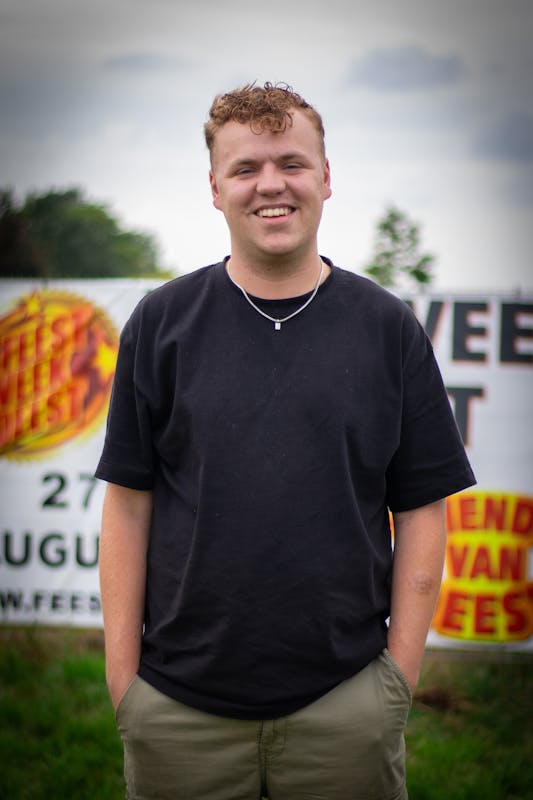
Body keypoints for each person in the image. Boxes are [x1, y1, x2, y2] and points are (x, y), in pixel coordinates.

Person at [96, 82, 475, 800]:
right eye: (245, 168)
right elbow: (128, 505)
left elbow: (422, 508)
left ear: (326, 178)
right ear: (215, 190)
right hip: (178, 708)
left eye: (291, 163)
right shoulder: (161, 323)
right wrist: (125, 686)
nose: (270, 184)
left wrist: (395, 683)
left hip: (345, 704)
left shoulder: (386, 328)